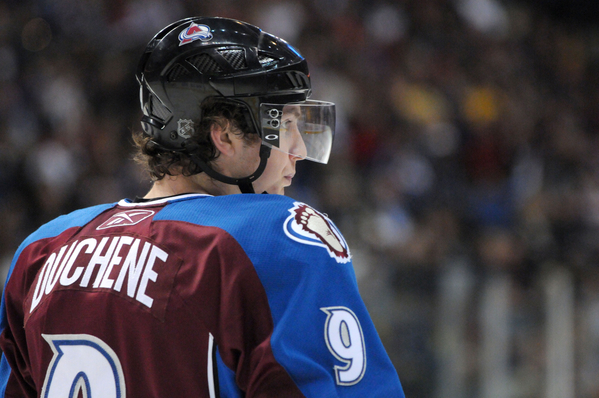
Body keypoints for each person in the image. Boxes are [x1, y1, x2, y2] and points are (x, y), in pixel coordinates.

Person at [0, 17, 405, 397]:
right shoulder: (271, 237)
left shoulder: (41, 249)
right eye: (284, 124)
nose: (298, 150)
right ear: (223, 137)